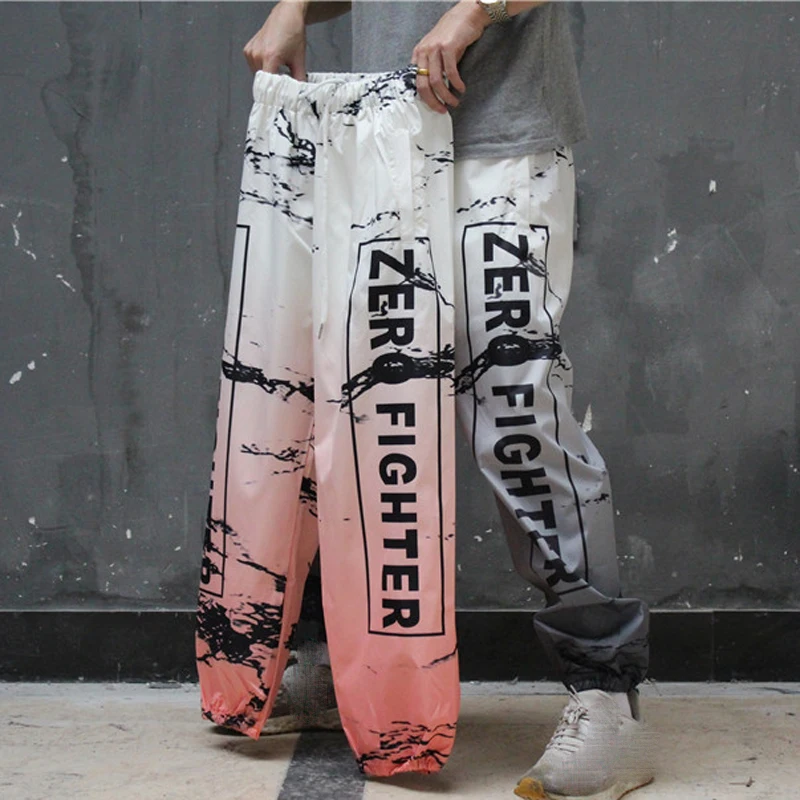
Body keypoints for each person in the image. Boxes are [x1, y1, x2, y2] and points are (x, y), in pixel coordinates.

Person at [239, 2, 653, 798]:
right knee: (358, 403)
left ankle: (608, 694)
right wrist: (295, 6)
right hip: (381, 138)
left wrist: (474, 11)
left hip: (499, 141)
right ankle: (346, 664)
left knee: (516, 410)